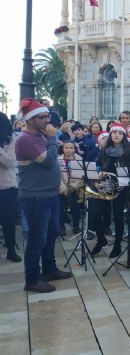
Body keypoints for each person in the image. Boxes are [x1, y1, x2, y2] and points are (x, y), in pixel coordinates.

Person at [15, 99, 72, 293]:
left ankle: (49, 269)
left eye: (48, 115)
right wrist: (51, 139)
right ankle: (32, 279)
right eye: (42, 117)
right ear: (30, 120)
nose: (47, 120)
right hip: (35, 197)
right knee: (36, 239)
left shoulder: (40, 135)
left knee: (50, 235)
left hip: (50, 194)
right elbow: (47, 161)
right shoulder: (25, 140)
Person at [90, 124, 130, 257]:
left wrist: (121, 180)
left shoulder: (129, 151)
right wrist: (98, 175)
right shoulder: (105, 149)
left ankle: (117, 245)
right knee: (95, 212)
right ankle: (101, 240)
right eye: (114, 132)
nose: (116, 134)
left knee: (118, 216)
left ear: (124, 136)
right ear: (110, 135)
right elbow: (98, 164)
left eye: (120, 133)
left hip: (121, 186)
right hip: (105, 184)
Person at [0, 112, 21, 263]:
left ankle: (11, 250)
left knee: (8, 220)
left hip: (7, 187)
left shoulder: (11, 142)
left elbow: (9, 163)